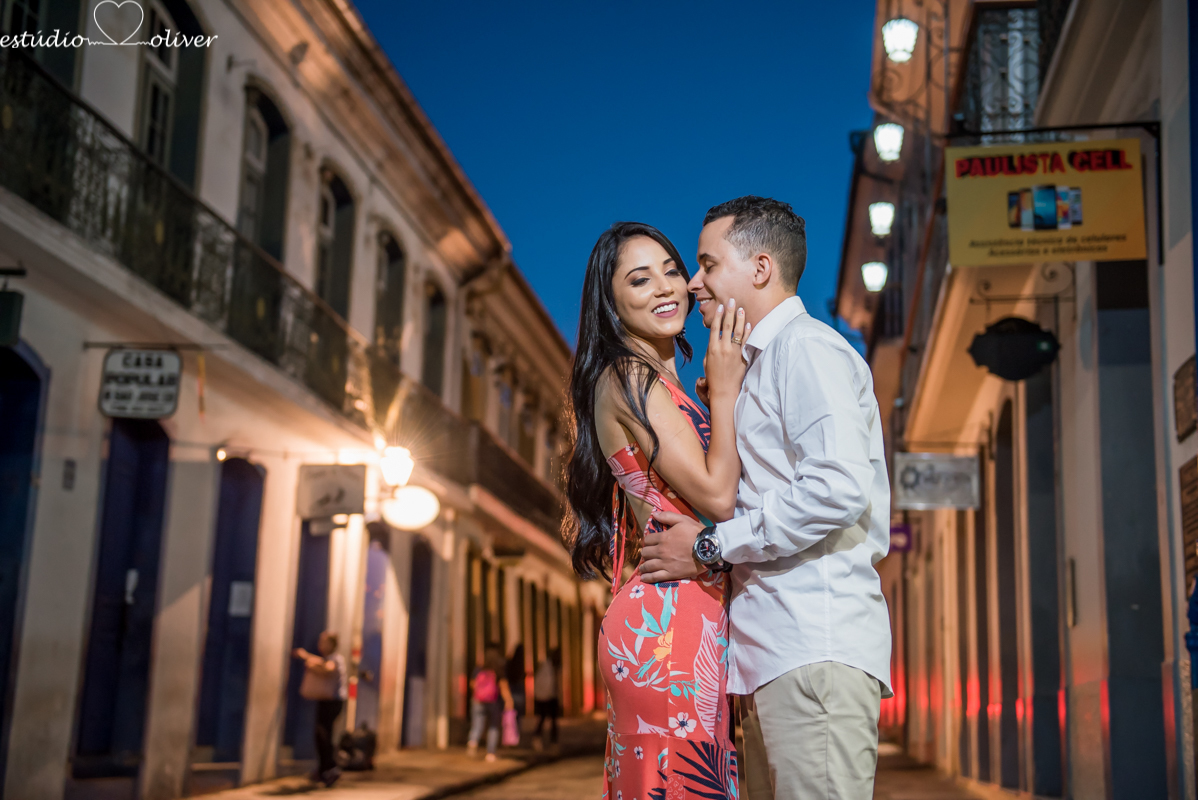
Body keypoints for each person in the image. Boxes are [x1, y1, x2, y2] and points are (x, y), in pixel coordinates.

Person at [642, 196, 893, 800]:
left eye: (708, 264)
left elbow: (836, 487)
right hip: (771, 656)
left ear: (759, 269)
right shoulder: (760, 365)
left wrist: (708, 546)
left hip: (812, 649)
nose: (694, 282)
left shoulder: (806, 350)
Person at [564, 222, 747, 799]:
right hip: (669, 623)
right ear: (611, 303)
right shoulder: (629, 375)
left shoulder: (664, 383)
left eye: (672, 269)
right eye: (640, 279)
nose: (666, 287)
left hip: (684, 609)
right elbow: (717, 497)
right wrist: (725, 388)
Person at [293, 630, 347, 787]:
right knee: (320, 734)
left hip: (333, 702)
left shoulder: (336, 659)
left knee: (324, 734)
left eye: (324, 642)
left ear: (332, 644)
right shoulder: (326, 659)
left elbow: (328, 668)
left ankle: (330, 768)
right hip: (325, 700)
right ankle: (324, 769)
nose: (321, 645)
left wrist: (306, 656)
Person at [467, 646, 514, 762]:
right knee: (493, 726)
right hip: (493, 701)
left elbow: (472, 684)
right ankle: (490, 753)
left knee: (477, 724)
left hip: (477, 700)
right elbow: (503, 686)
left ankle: (473, 742)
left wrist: (481, 690)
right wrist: (509, 700)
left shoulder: (479, 669)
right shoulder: (498, 669)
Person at [532, 648, 561, 749]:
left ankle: (552, 742)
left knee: (551, 720)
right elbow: (549, 684)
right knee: (545, 718)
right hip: (546, 697)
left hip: (547, 697)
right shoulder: (548, 668)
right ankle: (540, 739)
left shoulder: (547, 667)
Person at [505, 643, 527, 746]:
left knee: (511, 714)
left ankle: (511, 737)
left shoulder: (510, 662)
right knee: (517, 715)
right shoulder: (521, 664)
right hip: (518, 689)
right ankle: (516, 736)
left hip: (512, 689)